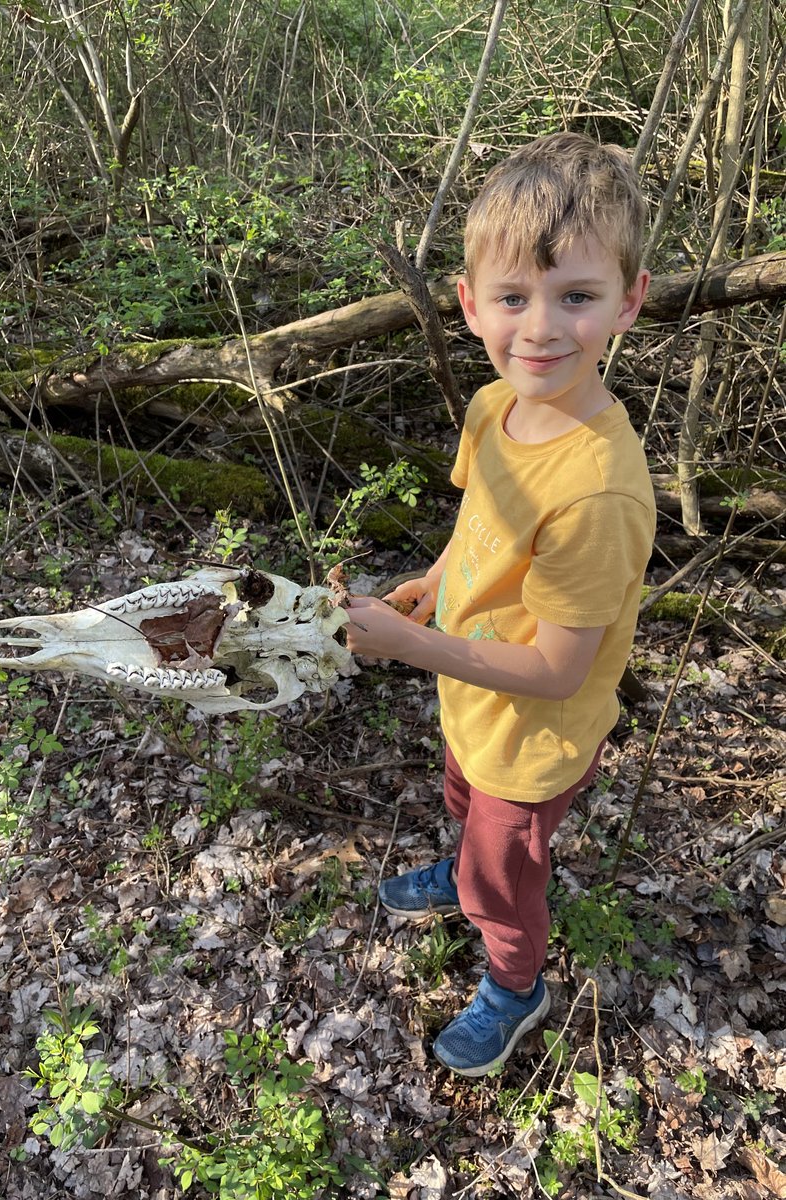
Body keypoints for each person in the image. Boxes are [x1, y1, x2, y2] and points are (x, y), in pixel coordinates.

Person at [346, 132, 656, 1078]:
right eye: (513, 298)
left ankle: (515, 985)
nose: (540, 329)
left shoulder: (598, 489)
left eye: (577, 297)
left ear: (629, 301)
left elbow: (560, 668)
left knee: (507, 873)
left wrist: (406, 643)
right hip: (474, 702)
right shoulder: (493, 408)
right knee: (458, 797)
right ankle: (465, 870)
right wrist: (436, 587)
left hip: (535, 737)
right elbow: (478, 521)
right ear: (470, 302)